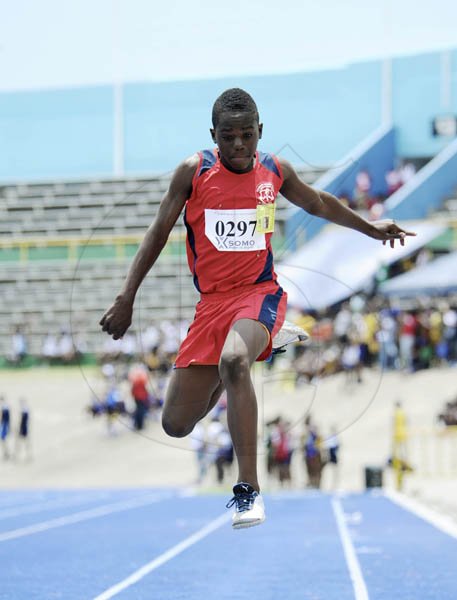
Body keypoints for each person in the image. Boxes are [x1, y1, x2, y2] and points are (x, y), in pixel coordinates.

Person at [100, 88, 415, 529]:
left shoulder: (274, 171)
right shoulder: (193, 173)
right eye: (228, 137)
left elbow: (319, 203)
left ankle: (248, 491)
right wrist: (126, 296)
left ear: (259, 132)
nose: (238, 145)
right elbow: (156, 232)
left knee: (233, 360)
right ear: (214, 135)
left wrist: (369, 227)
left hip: (258, 293)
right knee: (175, 424)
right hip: (211, 306)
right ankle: (262, 347)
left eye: (247, 135)